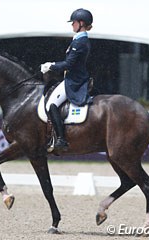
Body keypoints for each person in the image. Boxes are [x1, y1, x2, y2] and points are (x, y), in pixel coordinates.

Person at [40, 8, 93, 151]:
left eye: (74, 22)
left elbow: (69, 64)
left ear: (81, 23)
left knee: (51, 104)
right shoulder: (78, 40)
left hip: (74, 80)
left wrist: (51, 66)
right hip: (71, 77)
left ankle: (61, 139)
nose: (72, 25)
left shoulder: (80, 42)